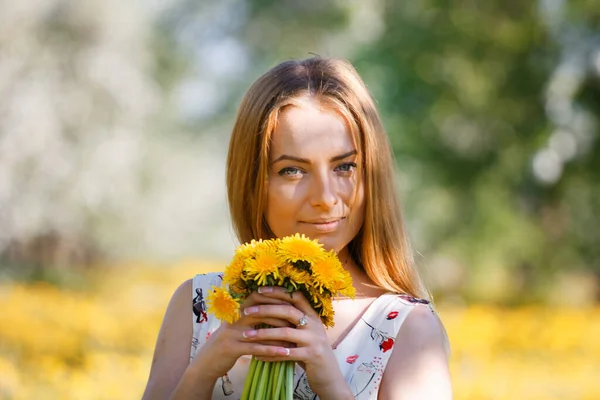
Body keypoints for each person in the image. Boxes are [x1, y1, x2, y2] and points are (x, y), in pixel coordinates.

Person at [142, 57, 452, 400]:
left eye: (345, 166)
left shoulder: (404, 326)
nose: (325, 197)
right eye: (293, 170)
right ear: (252, 183)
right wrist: (204, 370)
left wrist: (331, 383)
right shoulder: (198, 306)